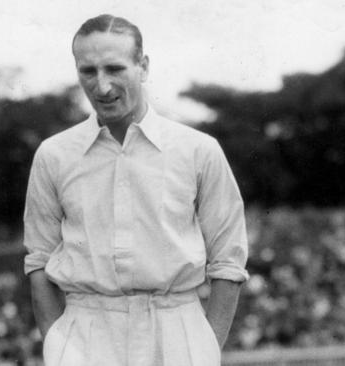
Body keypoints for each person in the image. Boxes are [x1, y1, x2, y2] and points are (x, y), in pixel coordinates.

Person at [23, 14, 249, 366]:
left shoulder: (197, 150)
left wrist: (205, 347)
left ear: (142, 66)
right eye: (88, 71)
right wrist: (58, 343)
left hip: (178, 331)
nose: (102, 86)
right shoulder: (54, 155)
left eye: (115, 68)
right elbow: (38, 261)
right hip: (84, 334)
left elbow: (229, 263)